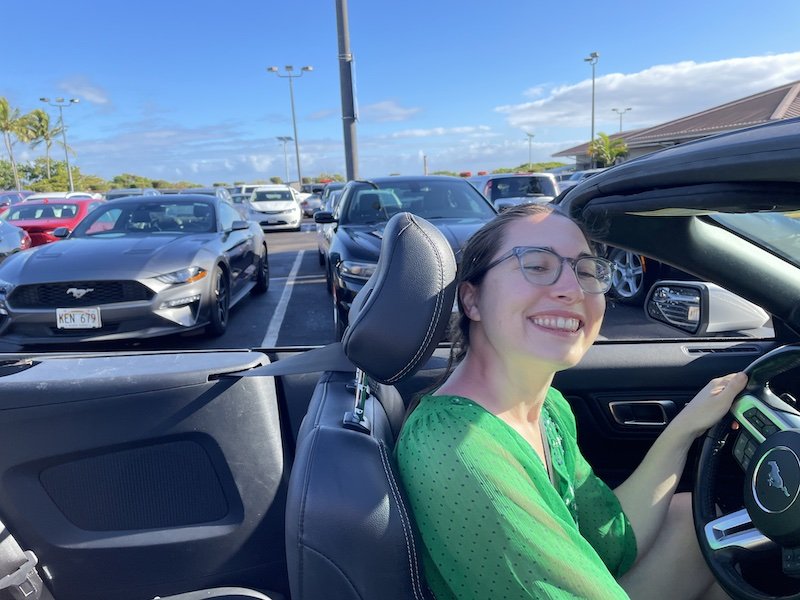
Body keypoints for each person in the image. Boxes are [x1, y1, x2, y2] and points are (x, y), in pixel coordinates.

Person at [394, 203, 746, 600]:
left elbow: (608, 541)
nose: (574, 290)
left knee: (690, 522)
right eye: (538, 266)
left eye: (585, 271)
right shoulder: (456, 448)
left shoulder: (549, 409)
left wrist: (685, 428)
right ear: (472, 300)